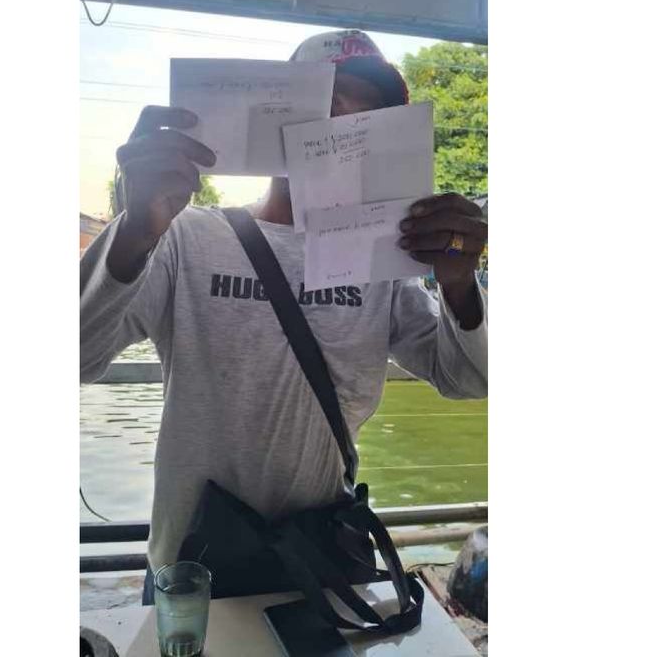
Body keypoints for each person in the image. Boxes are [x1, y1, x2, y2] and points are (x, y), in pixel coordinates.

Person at [80, 30, 488, 604]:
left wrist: (460, 283)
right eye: (329, 96)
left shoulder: (382, 263)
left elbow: (469, 379)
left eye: (370, 110)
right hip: (192, 569)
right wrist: (133, 231)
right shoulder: (183, 236)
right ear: (271, 109)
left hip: (322, 558)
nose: (347, 115)